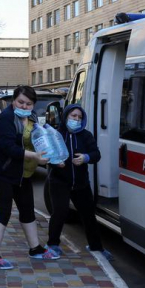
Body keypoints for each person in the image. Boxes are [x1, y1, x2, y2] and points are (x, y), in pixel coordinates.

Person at [0, 85, 56, 270]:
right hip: (0, 171)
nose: (24, 106)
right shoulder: (6, 118)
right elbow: (8, 148)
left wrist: (53, 155)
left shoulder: (31, 118)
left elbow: (39, 140)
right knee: (2, 211)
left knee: (27, 209)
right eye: (21, 102)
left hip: (22, 173)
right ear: (13, 101)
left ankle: (35, 248)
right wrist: (35, 157)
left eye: (29, 103)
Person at [46, 104, 109, 260]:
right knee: (59, 213)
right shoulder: (56, 134)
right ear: (66, 116)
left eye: (80, 117)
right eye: (73, 116)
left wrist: (86, 157)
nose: (76, 119)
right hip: (59, 181)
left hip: (81, 183)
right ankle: (52, 245)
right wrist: (56, 163)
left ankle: (96, 247)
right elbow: (47, 154)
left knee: (88, 215)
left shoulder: (86, 135)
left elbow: (96, 154)